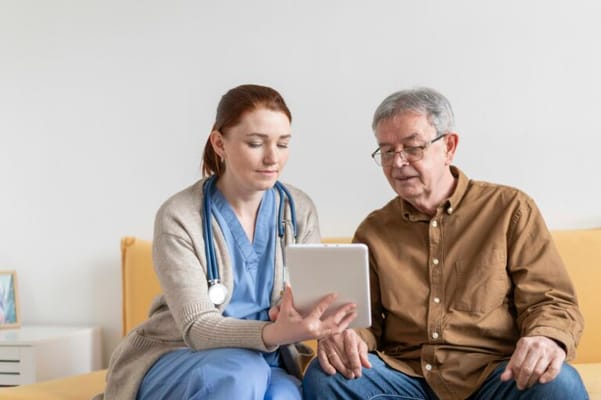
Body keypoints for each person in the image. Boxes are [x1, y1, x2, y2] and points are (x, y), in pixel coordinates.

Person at [303, 87, 589, 400]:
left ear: (449, 146)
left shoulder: (510, 209)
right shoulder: (373, 230)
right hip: (408, 381)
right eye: (386, 151)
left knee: (561, 383)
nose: (398, 163)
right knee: (326, 377)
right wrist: (349, 337)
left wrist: (547, 338)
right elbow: (363, 322)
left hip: (496, 376)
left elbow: (550, 300)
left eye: (412, 148)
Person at [98, 84, 357, 400]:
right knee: (241, 373)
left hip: (267, 360)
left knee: (283, 396)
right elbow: (197, 327)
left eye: (283, 143)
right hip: (179, 355)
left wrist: (331, 328)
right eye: (255, 143)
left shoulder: (297, 209)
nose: (272, 157)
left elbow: (310, 301)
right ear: (219, 143)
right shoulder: (180, 216)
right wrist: (275, 332)